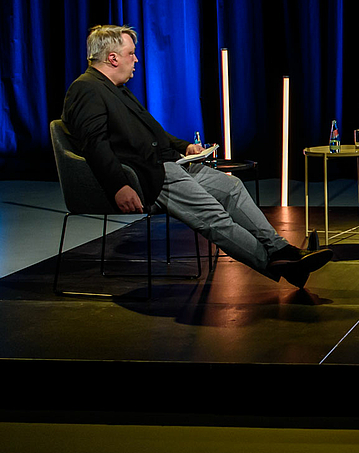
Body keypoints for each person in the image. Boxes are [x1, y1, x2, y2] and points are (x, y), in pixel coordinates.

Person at [61, 25, 331, 289]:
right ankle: (274, 262)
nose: (136, 59)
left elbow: (154, 133)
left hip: (169, 165)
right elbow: (95, 145)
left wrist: (185, 148)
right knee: (214, 215)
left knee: (232, 187)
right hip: (150, 176)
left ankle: (283, 250)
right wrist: (119, 186)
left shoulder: (116, 89)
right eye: (131, 53)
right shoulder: (86, 89)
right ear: (112, 57)